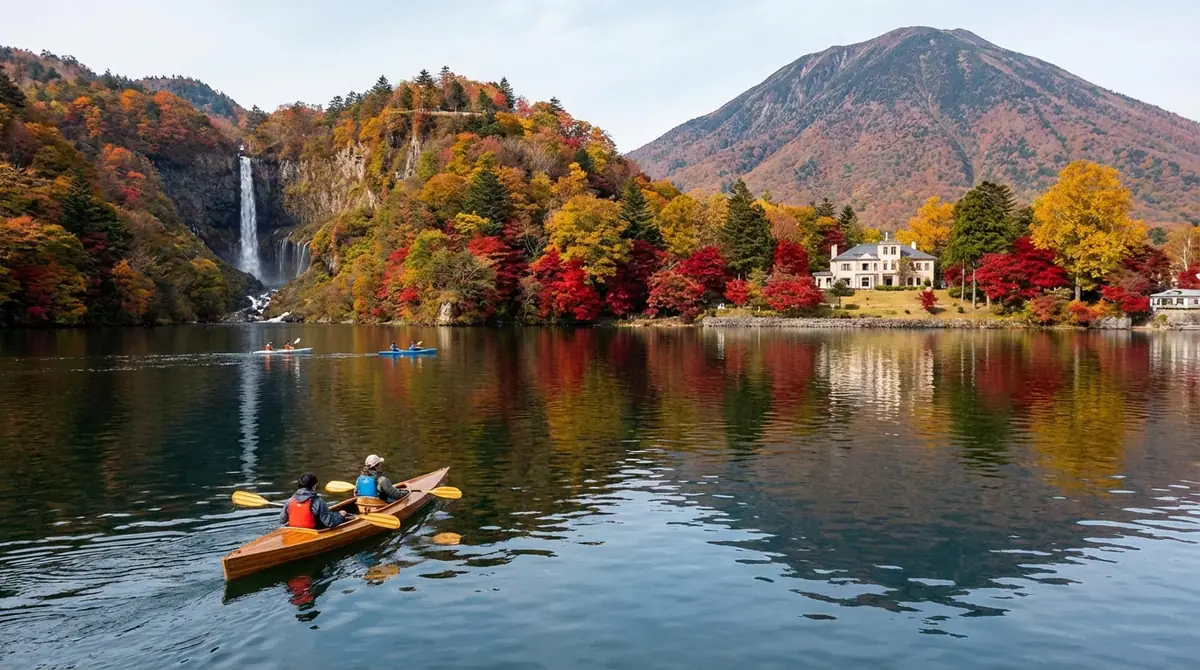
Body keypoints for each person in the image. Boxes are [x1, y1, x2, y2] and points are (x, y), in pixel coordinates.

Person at [280, 473, 351, 529]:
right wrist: (341, 516)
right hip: (312, 532)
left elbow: (282, 520)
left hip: (294, 530)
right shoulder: (318, 502)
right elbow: (330, 523)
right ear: (314, 486)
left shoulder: (289, 501)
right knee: (341, 515)